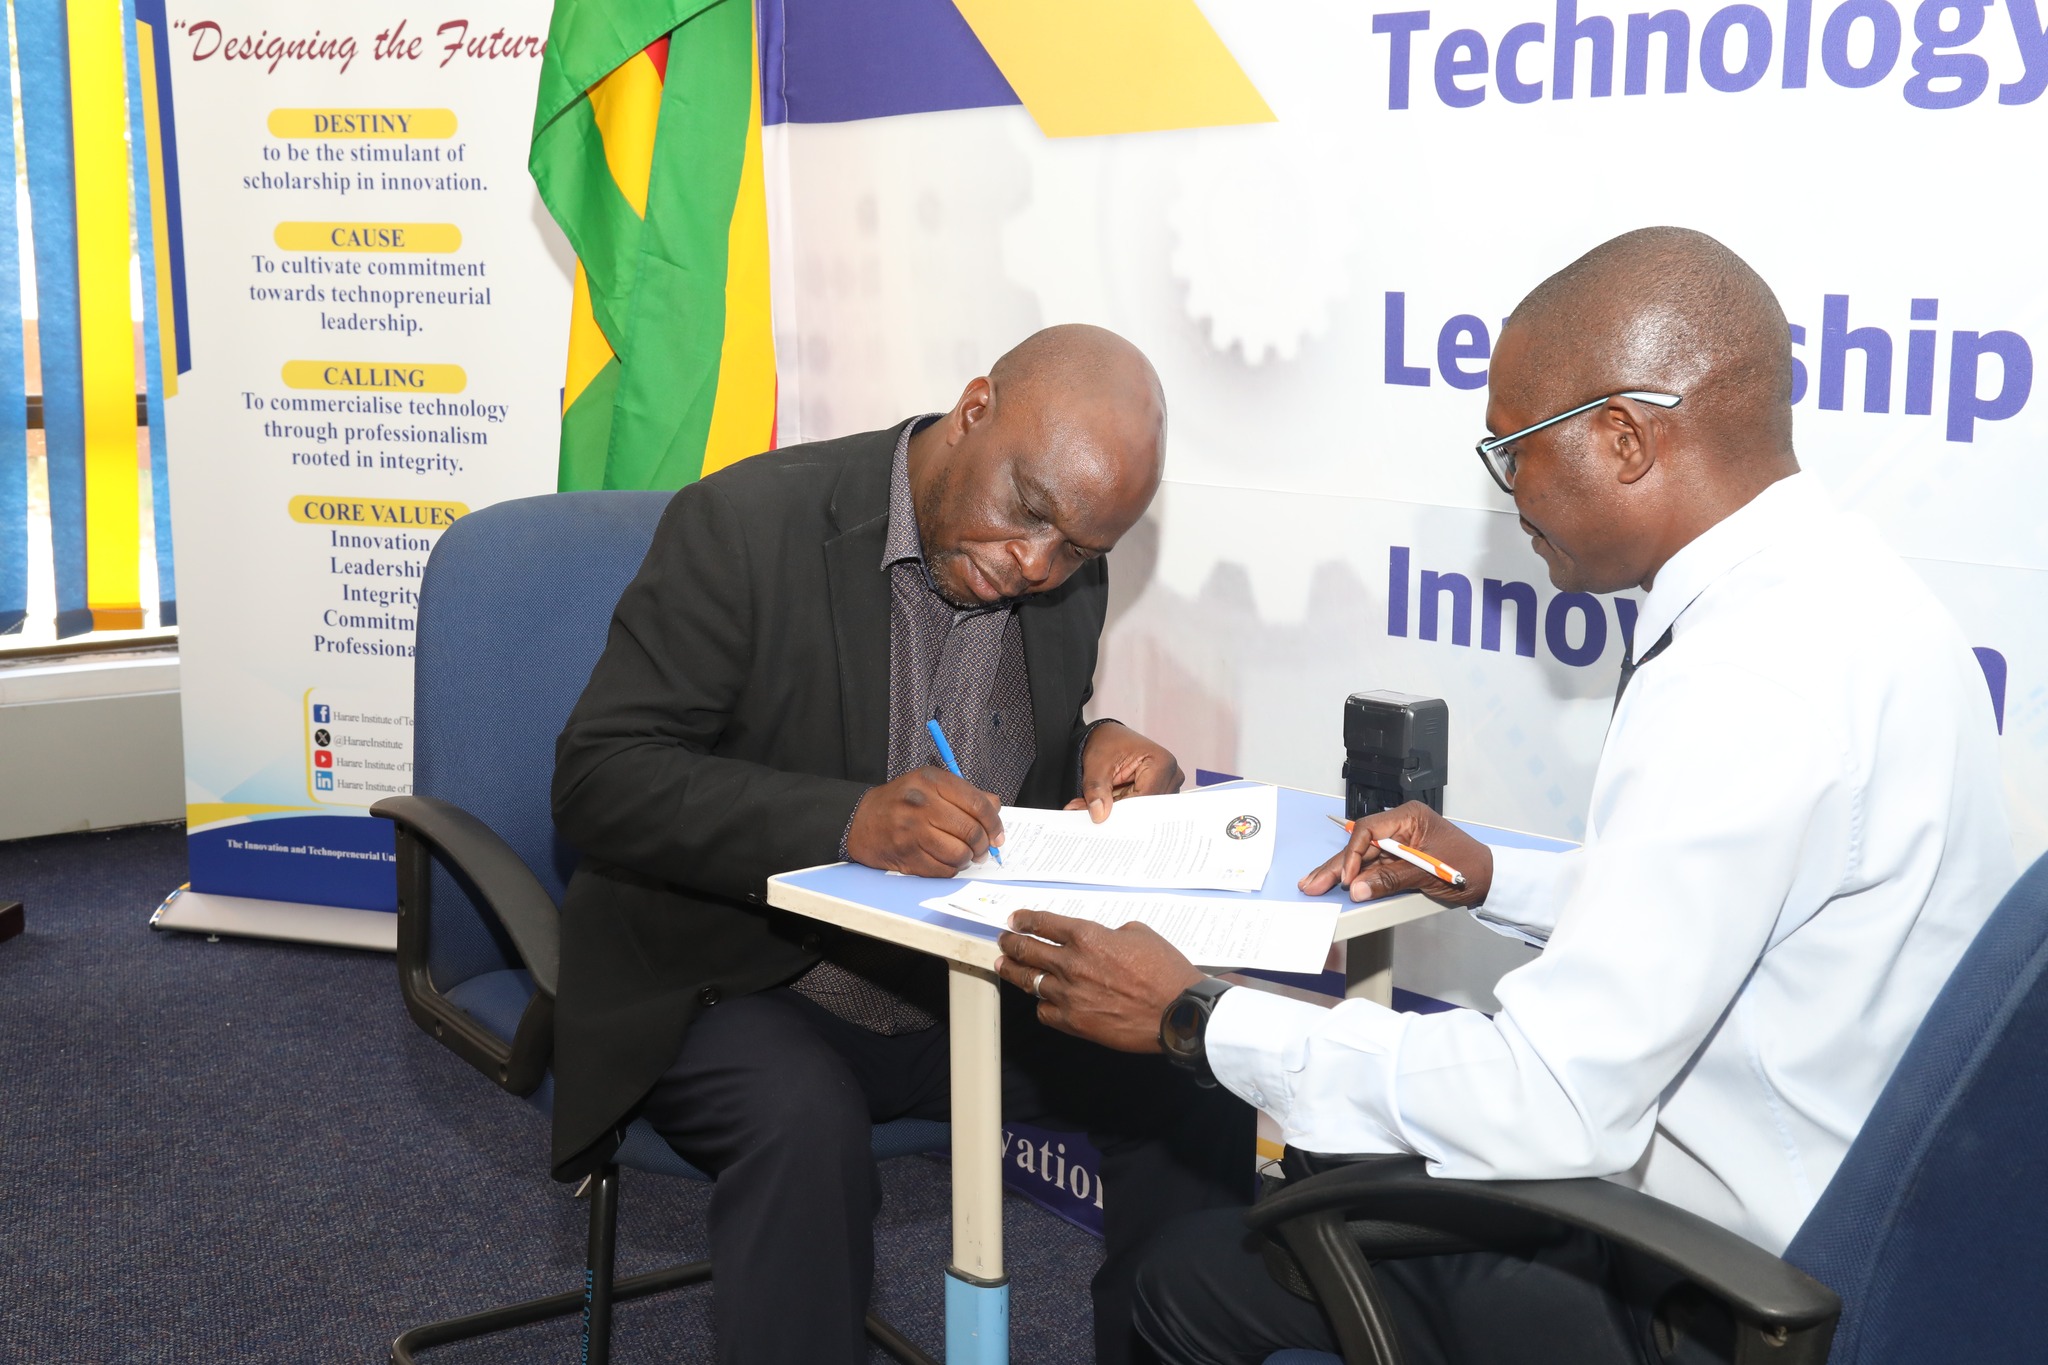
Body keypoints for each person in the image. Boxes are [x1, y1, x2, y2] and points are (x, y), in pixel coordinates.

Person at [991, 229, 2016, 1364]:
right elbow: (1719, 917)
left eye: (1513, 449)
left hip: (1710, 1289)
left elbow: (1553, 1102)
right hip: (1857, 1237)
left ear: (1623, 437)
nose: (1509, 491)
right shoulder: (1855, 600)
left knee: (1185, 1278)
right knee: (1332, 1168)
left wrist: (1197, 1013)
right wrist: (1487, 876)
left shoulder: (1741, 681)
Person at [548, 324, 1255, 1365]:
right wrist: (846, 821)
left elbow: (1014, 750)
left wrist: (1096, 747)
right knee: (801, 1125)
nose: (1035, 564)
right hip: (741, 978)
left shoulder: (1066, 571)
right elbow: (600, 777)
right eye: (1030, 513)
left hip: (957, 982)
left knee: (1194, 1057)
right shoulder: (745, 526)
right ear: (973, 411)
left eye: (1076, 549)